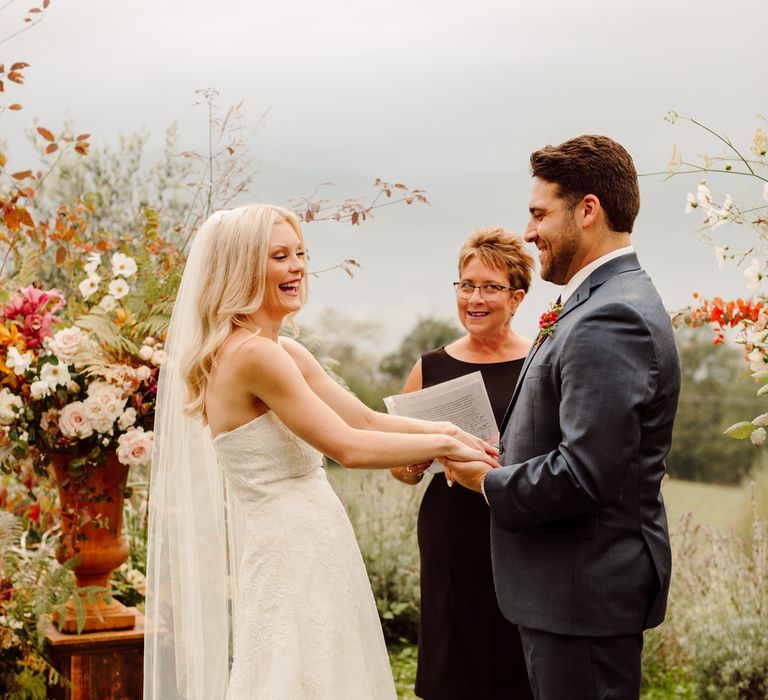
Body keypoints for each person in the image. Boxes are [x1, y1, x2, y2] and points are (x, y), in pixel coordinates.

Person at [143, 204, 499, 700]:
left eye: (301, 254)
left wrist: (449, 430)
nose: (297, 267)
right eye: (279, 256)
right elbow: (347, 447)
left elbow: (366, 419)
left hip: (317, 539)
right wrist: (445, 445)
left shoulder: (282, 349)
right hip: (290, 549)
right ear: (243, 267)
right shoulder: (254, 355)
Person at [442, 135, 681, 700]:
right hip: (571, 592)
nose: (529, 232)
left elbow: (587, 473)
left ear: (588, 211)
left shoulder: (612, 314)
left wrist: (487, 480)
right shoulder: (599, 299)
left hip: (584, 595)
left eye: (539, 213)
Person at [389, 227, 535, 699]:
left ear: (517, 297)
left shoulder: (541, 361)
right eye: (466, 285)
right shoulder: (429, 367)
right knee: (453, 651)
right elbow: (398, 465)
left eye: (490, 287)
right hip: (450, 528)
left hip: (518, 522)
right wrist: (415, 461)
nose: (475, 297)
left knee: (513, 654)